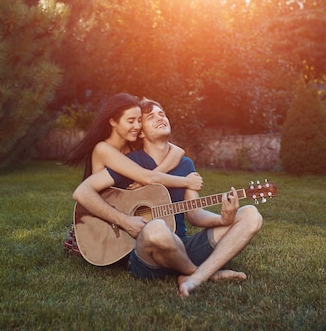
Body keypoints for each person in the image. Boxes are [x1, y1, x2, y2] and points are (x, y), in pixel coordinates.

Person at [72, 98, 263, 297]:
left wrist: (223, 219)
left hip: (182, 245)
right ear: (142, 132)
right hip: (148, 253)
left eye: (162, 113)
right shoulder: (131, 162)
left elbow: (195, 214)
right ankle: (203, 273)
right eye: (151, 116)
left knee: (251, 214)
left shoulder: (185, 163)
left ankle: (191, 276)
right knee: (156, 229)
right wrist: (126, 221)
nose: (159, 117)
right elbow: (84, 191)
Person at [66, 92, 202, 188]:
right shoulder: (103, 149)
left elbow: (177, 151)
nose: (137, 126)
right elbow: (147, 177)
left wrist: (149, 178)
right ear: (113, 122)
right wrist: (187, 182)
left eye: (139, 120)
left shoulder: (131, 147)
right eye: (131, 121)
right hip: (101, 217)